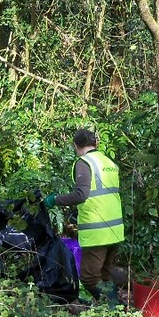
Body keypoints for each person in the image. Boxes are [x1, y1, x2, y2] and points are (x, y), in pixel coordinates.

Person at [44, 128, 123, 307]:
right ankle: (115, 308)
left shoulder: (84, 163)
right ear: (95, 143)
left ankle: (110, 306)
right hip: (115, 229)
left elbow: (81, 195)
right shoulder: (107, 161)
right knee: (105, 274)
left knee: (88, 277)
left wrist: (54, 200)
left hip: (98, 230)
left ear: (75, 145)